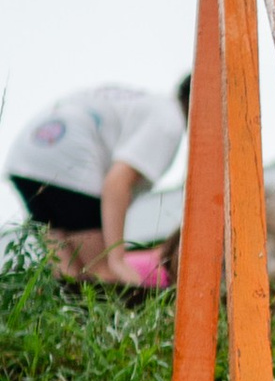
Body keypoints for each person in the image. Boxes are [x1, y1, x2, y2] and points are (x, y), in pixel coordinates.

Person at [6, 77, 188, 285]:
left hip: (26, 157)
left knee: (68, 275)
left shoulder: (151, 105)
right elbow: (117, 184)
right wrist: (117, 260)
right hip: (68, 158)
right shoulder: (169, 121)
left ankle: (72, 315)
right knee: (102, 274)